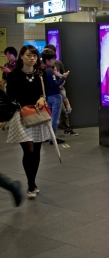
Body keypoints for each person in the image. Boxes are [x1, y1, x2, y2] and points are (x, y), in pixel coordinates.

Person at [6, 45, 51, 199]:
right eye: (29, 55)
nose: (32, 58)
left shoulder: (41, 74)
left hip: (37, 115)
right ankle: (31, 183)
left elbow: (46, 92)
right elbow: (10, 96)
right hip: (21, 115)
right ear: (21, 57)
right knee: (29, 149)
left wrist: (42, 97)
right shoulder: (14, 75)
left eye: (34, 55)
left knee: (37, 150)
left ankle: (32, 182)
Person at [44, 45, 77, 136]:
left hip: (57, 90)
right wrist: (61, 79)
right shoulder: (45, 68)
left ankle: (66, 128)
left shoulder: (57, 64)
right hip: (52, 93)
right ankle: (51, 136)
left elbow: (61, 75)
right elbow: (55, 83)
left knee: (58, 112)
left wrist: (62, 80)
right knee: (54, 117)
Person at [41, 49, 67, 144]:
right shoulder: (49, 71)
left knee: (49, 118)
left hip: (47, 96)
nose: (54, 61)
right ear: (47, 60)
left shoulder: (41, 70)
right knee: (55, 119)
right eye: (52, 59)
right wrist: (63, 77)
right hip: (55, 96)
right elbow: (55, 85)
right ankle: (52, 138)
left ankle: (48, 136)